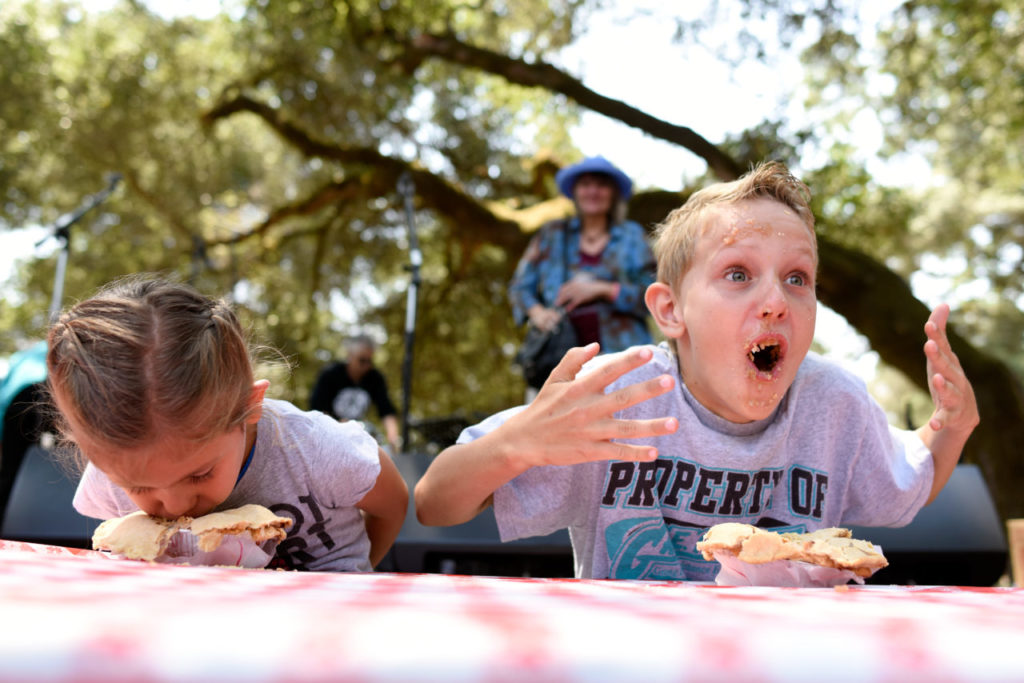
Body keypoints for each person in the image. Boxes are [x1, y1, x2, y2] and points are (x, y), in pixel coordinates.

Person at [414, 161, 979, 580]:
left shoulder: (835, 405)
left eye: (797, 278)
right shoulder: (614, 399)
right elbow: (434, 501)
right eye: (738, 273)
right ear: (669, 310)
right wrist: (520, 444)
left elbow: (912, 477)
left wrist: (952, 425)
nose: (775, 301)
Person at [48, 276, 408, 571]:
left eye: (199, 473)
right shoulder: (114, 468)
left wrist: (357, 570)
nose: (174, 506)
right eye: (138, 487)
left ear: (250, 407)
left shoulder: (316, 450)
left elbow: (393, 503)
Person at [509, 156, 656, 386]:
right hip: (558, 364)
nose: (593, 191)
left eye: (601, 185)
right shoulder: (551, 234)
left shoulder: (632, 236)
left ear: (613, 193)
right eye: (586, 184)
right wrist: (538, 313)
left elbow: (656, 295)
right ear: (575, 192)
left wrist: (603, 290)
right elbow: (519, 287)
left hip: (623, 362)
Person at [309, 335, 401, 452]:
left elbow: (386, 409)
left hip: (358, 439)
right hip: (329, 439)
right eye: (362, 360)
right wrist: (338, 427)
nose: (366, 366)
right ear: (350, 355)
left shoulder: (375, 378)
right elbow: (317, 411)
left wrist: (393, 438)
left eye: (370, 361)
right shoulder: (330, 374)